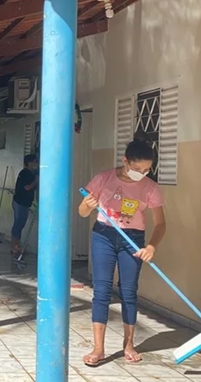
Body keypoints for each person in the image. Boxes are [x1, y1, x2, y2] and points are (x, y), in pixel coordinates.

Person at [79, 132, 166, 366]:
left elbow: (160, 224)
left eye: (147, 170)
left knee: (128, 291)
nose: (142, 174)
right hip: (103, 236)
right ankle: (98, 348)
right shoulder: (103, 179)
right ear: (125, 162)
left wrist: (151, 246)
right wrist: (87, 205)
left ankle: (128, 343)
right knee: (102, 290)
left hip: (133, 239)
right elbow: (82, 212)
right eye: (138, 169)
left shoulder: (150, 187)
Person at [11, 154, 39, 258]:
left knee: (20, 224)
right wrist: (36, 181)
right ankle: (14, 246)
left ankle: (16, 246)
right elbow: (27, 187)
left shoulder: (29, 173)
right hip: (20, 203)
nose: (36, 164)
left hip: (23, 203)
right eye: (35, 161)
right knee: (19, 224)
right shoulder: (25, 173)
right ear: (30, 162)